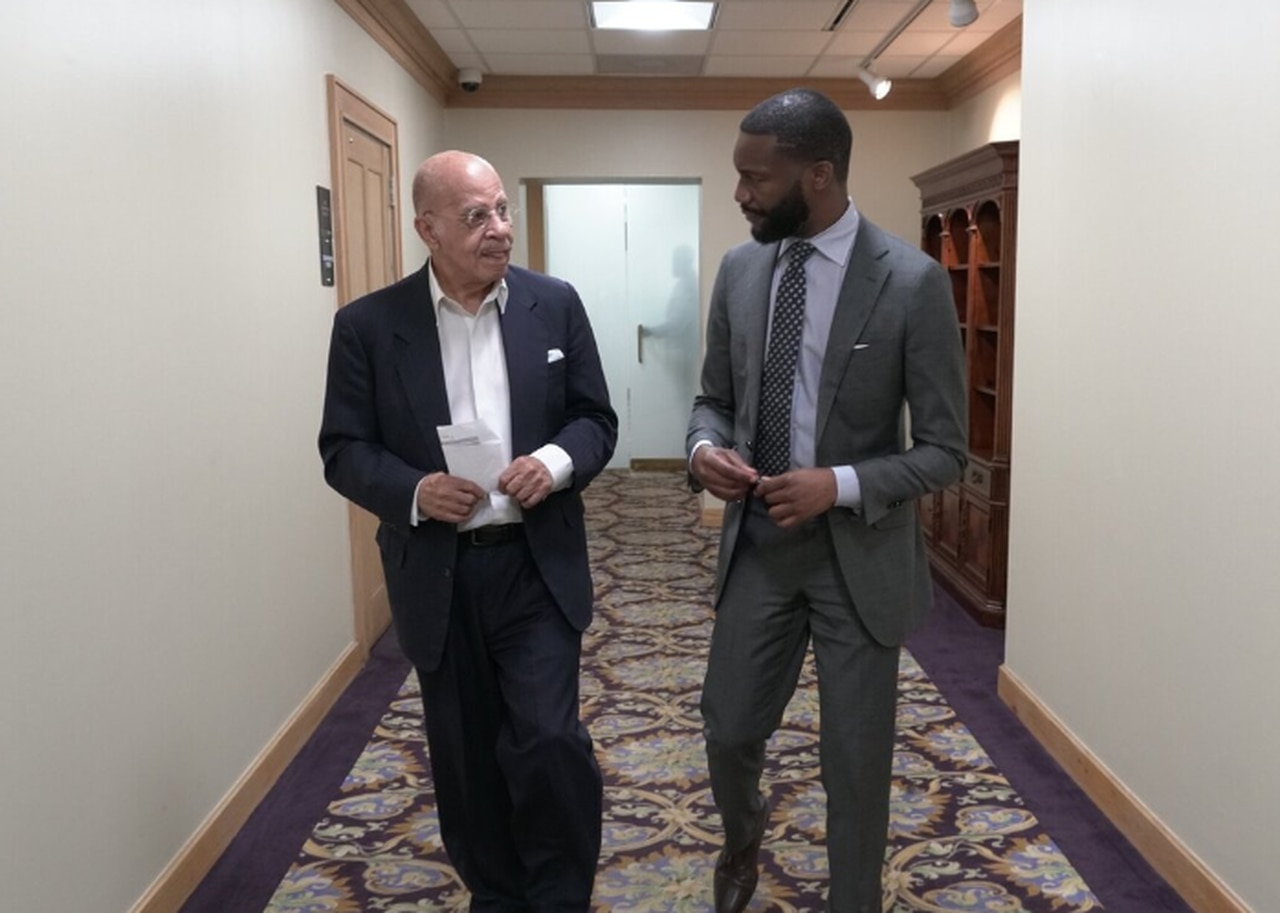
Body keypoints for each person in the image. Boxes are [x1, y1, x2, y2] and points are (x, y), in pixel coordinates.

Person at [687, 89, 967, 913]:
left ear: (817, 176)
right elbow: (712, 399)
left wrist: (837, 484)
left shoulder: (912, 283)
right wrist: (706, 450)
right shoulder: (741, 270)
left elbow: (945, 451)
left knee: (855, 762)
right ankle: (744, 839)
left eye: (753, 178)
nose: (738, 193)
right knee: (729, 729)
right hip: (760, 553)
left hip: (860, 560)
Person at [319, 150, 616, 913]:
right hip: (439, 572)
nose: (499, 230)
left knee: (548, 739)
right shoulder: (369, 327)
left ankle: (559, 894)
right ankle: (498, 892)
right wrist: (414, 490)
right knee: (464, 752)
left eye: (503, 210)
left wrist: (553, 463)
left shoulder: (555, 304)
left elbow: (596, 420)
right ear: (427, 228)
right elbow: (344, 450)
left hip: (535, 563)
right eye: (475, 216)